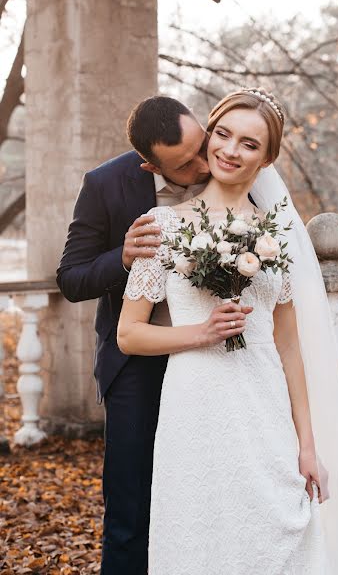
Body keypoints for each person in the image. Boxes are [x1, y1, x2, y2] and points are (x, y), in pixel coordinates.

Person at [118, 88, 338, 574]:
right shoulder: (162, 225)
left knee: (278, 532)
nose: (231, 150)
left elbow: (290, 347)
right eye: (223, 134)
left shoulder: (278, 238)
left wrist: (308, 446)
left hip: (265, 406)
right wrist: (201, 333)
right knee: (199, 535)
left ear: (268, 157)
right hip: (194, 407)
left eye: (250, 144)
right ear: (208, 135)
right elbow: (129, 335)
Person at [56, 96, 213, 574]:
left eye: (201, 146)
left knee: (205, 493)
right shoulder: (105, 184)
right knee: (131, 502)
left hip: (215, 356)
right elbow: (71, 278)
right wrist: (121, 259)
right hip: (135, 364)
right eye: (186, 164)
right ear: (150, 165)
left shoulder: (231, 166)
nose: (205, 164)